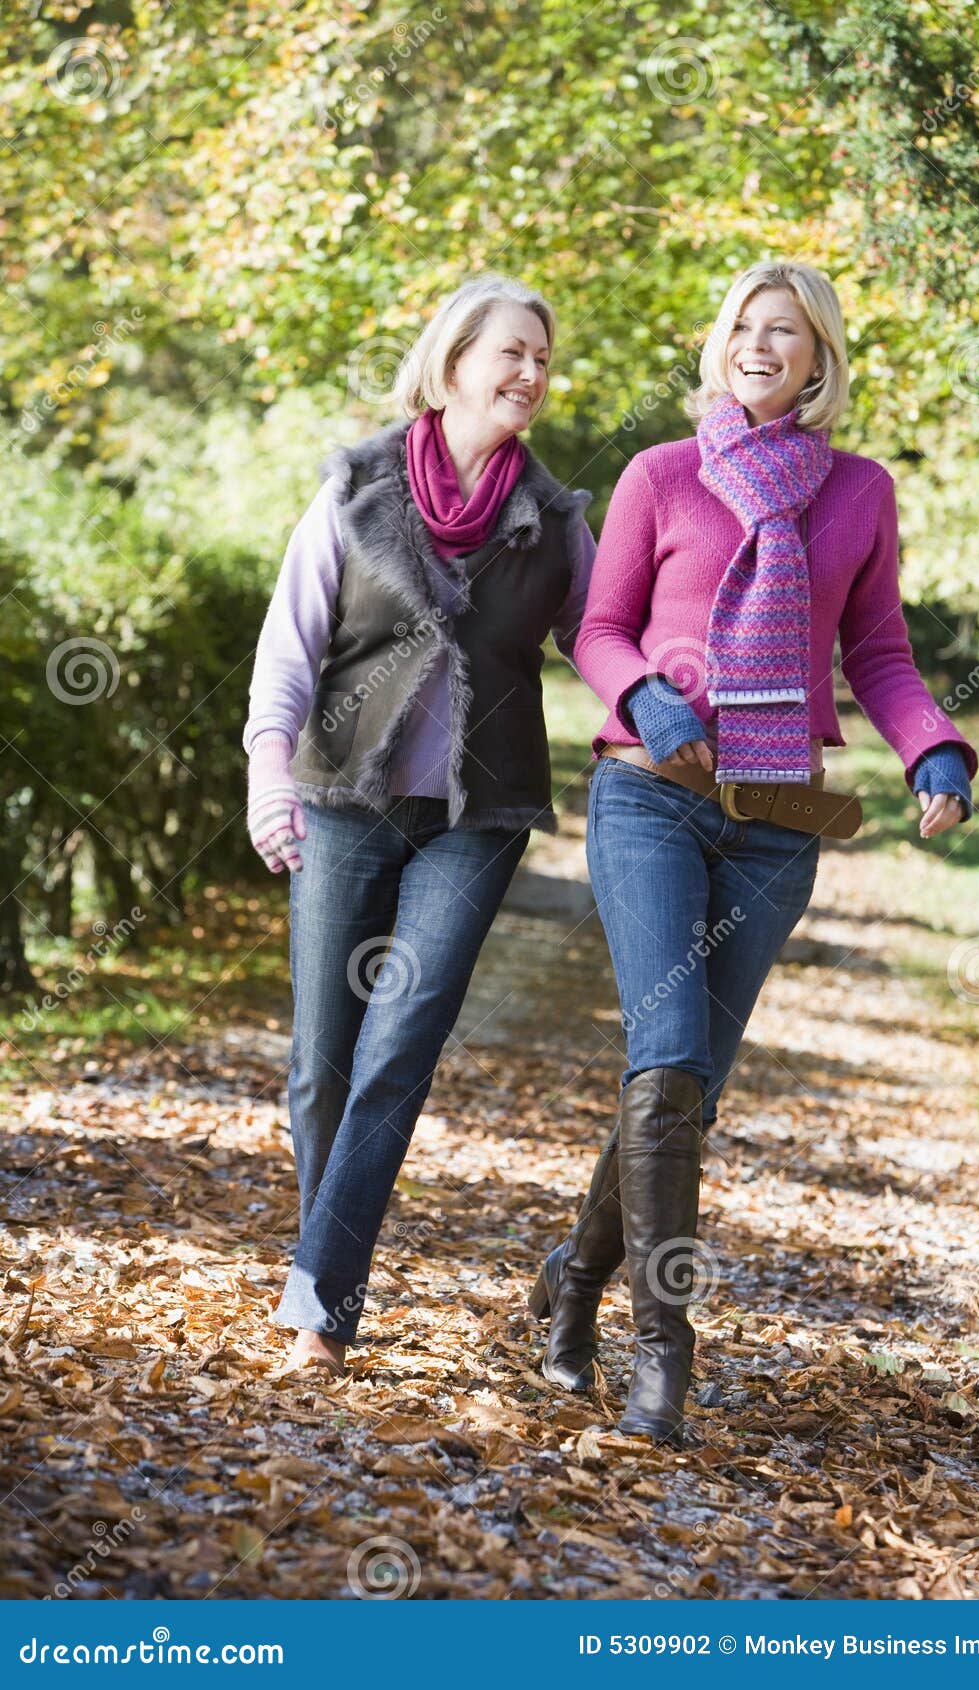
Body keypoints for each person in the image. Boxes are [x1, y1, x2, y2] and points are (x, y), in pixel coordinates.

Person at [530, 260, 977, 1446]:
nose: (757, 344)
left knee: (686, 1092)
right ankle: (660, 1355)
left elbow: (876, 650)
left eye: (784, 331)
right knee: (665, 1059)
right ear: (718, 344)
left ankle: (572, 1279)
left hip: (780, 824)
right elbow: (597, 626)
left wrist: (933, 746)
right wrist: (642, 696)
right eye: (742, 326)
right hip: (649, 796)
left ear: (819, 361)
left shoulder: (859, 493)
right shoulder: (660, 475)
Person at [244, 274, 595, 1376]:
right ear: (450, 366)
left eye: (542, 356)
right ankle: (322, 1266)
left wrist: (682, 696)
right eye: (511, 353)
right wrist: (267, 773)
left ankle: (318, 1308)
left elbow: (606, 638)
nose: (530, 374)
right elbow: (290, 646)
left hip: (476, 816)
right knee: (322, 1061)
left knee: (398, 1049)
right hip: (344, 796)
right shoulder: (354, 485)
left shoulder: (552, 519)